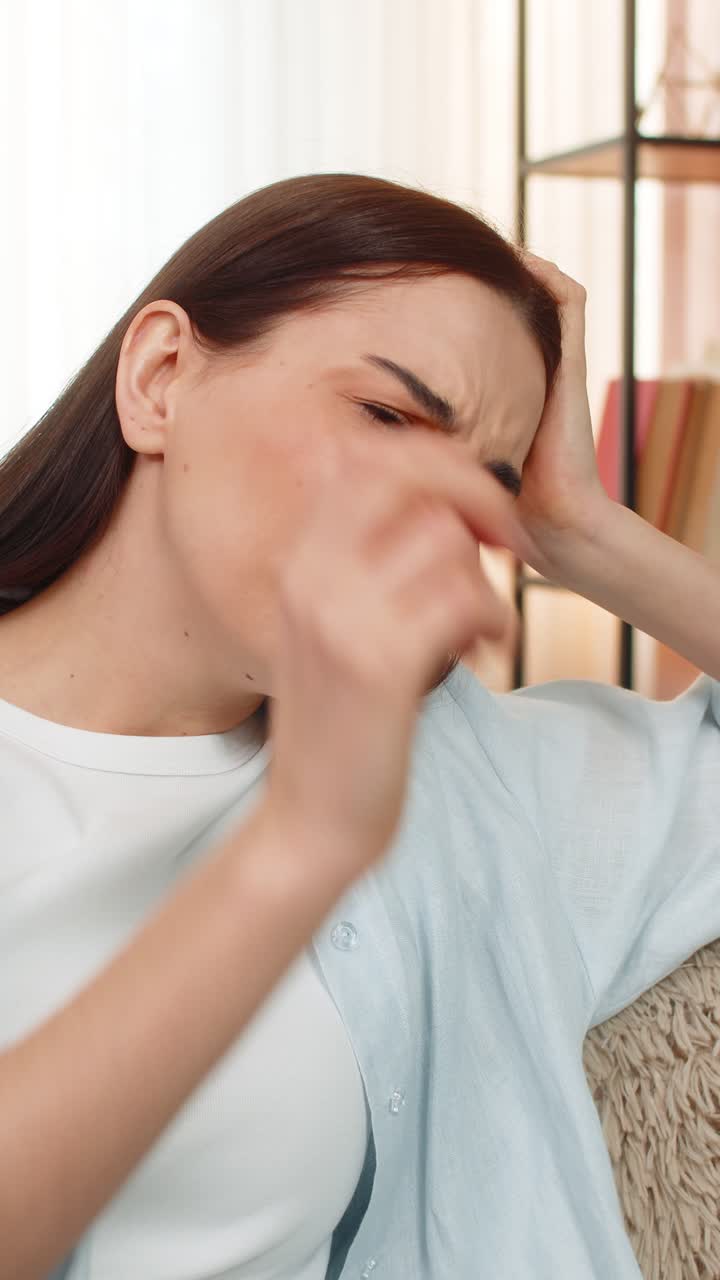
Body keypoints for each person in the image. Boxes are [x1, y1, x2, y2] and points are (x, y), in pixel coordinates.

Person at [0, 173, 717, 1280]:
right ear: (160, 376)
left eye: (482, 486)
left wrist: (586, 533)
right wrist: (299, 848)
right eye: (386, 414)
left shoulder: (454, 775)